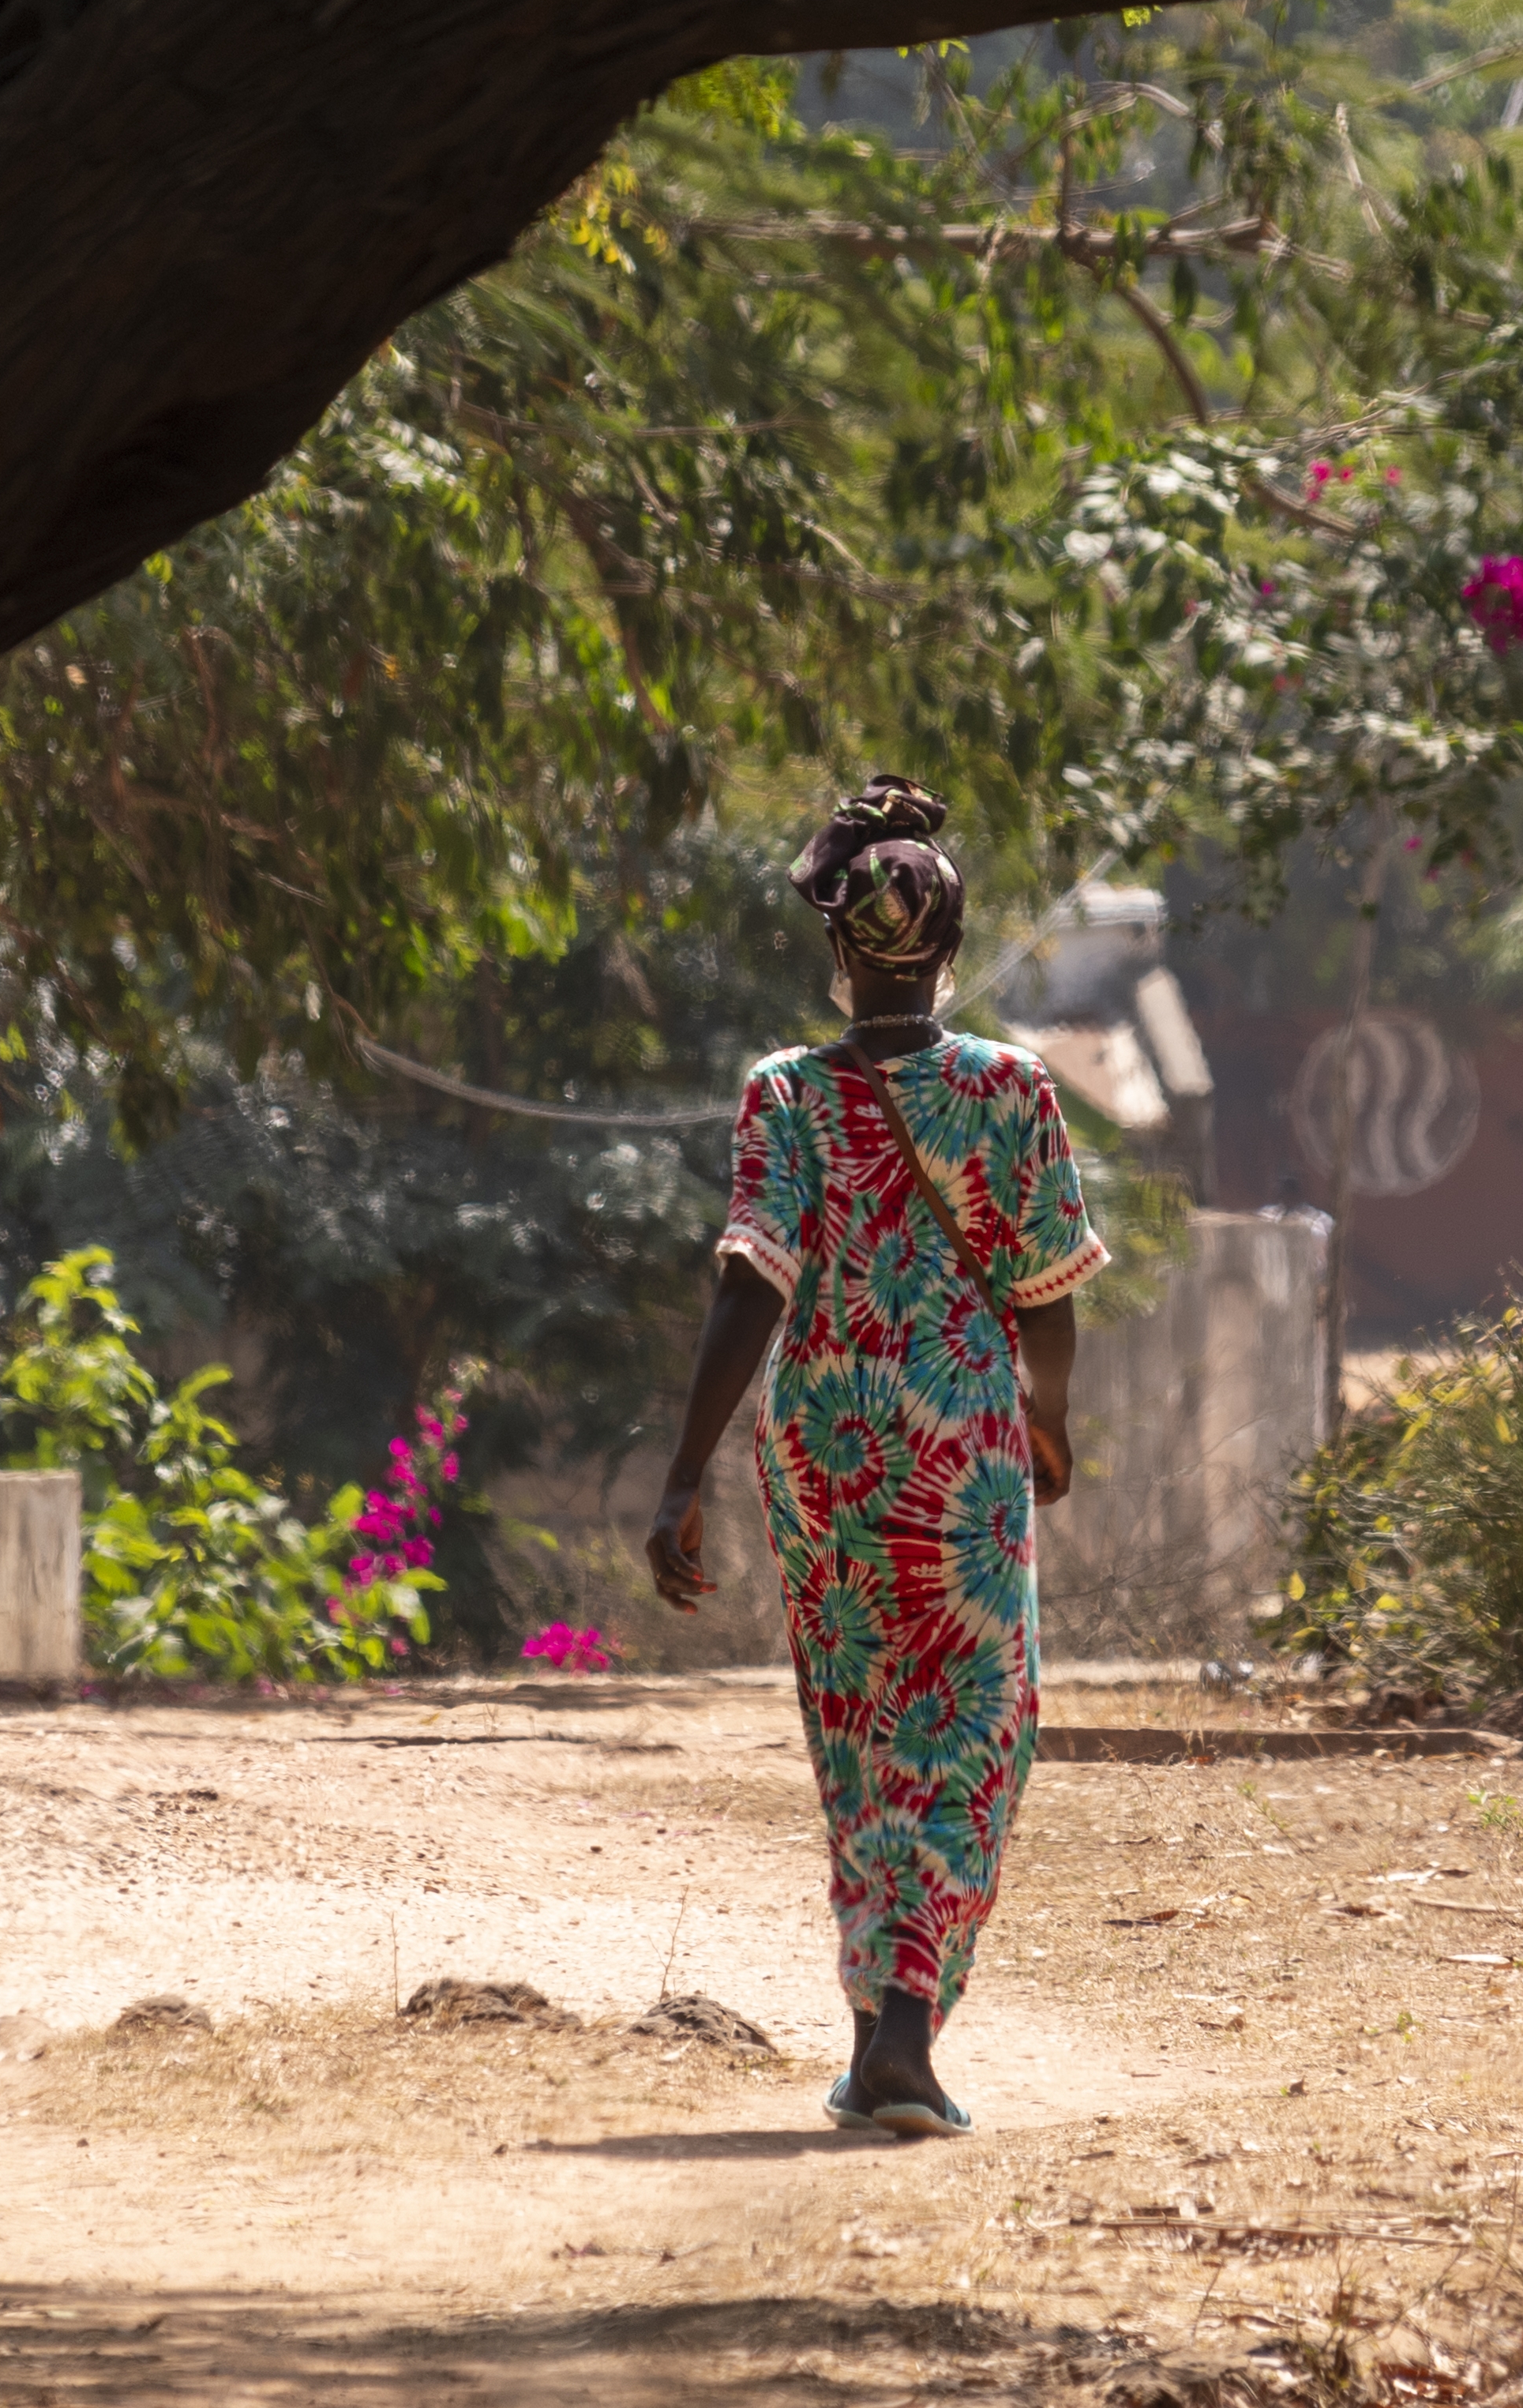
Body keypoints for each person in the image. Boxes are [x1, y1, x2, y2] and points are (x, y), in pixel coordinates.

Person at [646, 776, 1105, 2139]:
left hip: (828, 1455)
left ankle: (872, 2039)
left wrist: (683, 1470)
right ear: (952, 950)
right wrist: (1050, 1416)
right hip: (962, 1444)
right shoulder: (1010, 1087)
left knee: (858, 1725)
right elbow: (1048, 1295)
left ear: (841, 953)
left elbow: (751, 1284)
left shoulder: (781, 1092)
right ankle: (903, 2029)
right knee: (974, 1725)